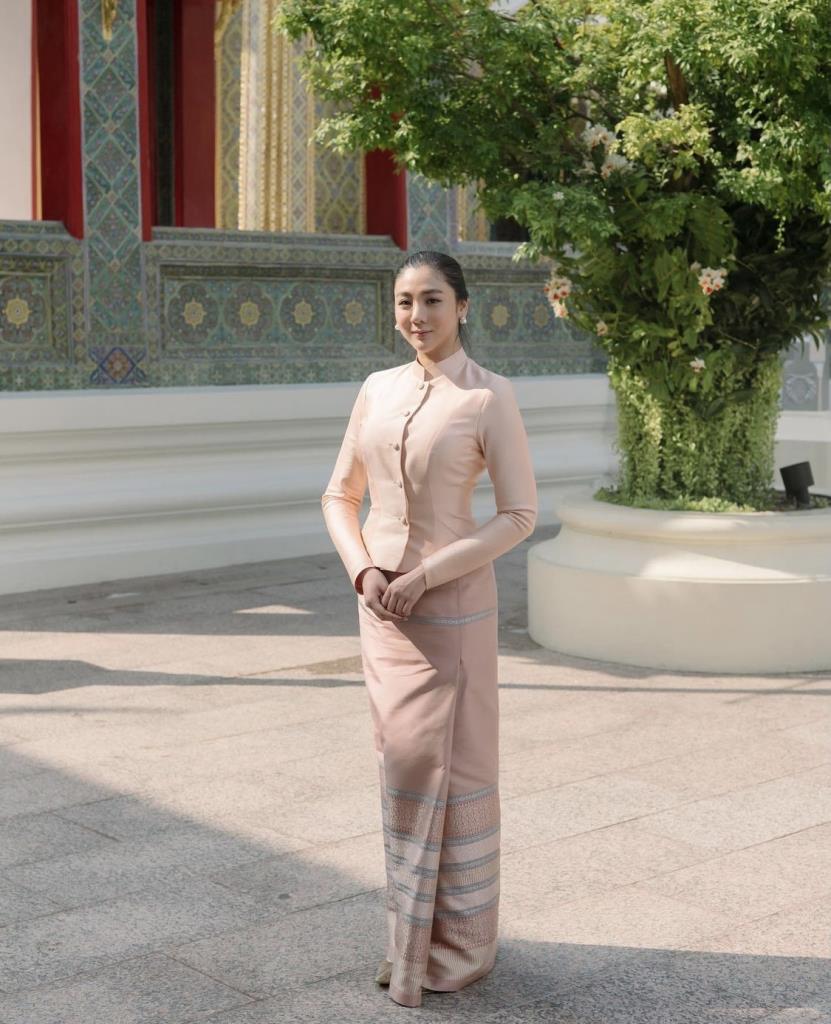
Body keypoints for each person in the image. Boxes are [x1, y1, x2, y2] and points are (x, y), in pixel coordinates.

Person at [321, 249, 538, 1008]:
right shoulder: (376, 389)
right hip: (383, 614)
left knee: (456, 770)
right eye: (405, 301)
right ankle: (406, 942)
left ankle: (458, 949)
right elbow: (338, 496)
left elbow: (519, 515)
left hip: (449, 613)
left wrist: (424, 576)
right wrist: (364, 572)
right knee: (404, 771)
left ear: (463, 307)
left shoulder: (488, 397)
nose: (417, 316)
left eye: (433, 300)